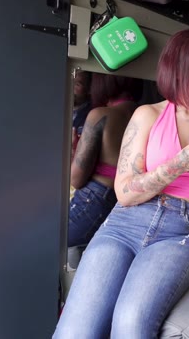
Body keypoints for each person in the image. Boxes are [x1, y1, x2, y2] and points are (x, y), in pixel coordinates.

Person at [54, 29, 189, 339]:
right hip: (124, 224)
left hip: (180, 233)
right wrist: (178, 164)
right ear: (177, 66)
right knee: (76, 331)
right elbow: (125, 193)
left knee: (130, 324)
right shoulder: (148, 115)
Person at [67, 72, 142, 248]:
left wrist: (73, 150)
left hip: (93, 201)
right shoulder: (147, 114)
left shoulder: (100, 115)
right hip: (124, 205)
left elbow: (75, 179)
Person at [72, 70, 92, 158]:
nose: (71, 87)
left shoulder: (91, 115)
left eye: (77, 84)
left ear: (89, 89)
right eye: (71, 81)